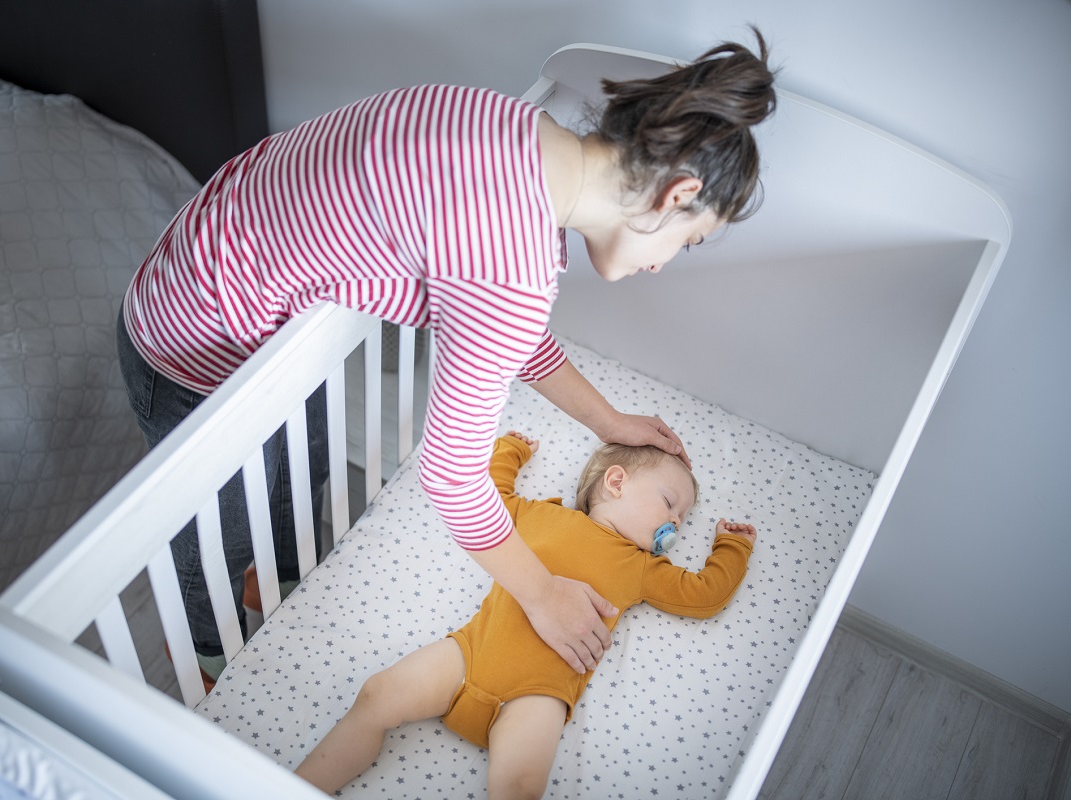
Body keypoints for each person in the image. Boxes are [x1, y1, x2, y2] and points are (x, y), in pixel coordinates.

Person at [115, 30, 776, 681]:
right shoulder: (513, 268)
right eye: (687, 242)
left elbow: (500, 328)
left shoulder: (513, 127)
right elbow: (453, 477)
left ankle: (276, 577)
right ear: (678, 196)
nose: (662, 265)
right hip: (191, 350)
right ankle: (202, 648)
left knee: (304, 461)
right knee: (219, 531)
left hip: (202, 254)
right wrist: (543, 595)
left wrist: (605, 422)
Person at [294, 431, 758, 797]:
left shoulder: (644, 568)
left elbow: (704, 595)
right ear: (616, 483)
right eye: (670, 504)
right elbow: (490, 498)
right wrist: (510, 450)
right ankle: (295, 788)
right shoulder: (545, 515)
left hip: (538, 695)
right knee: (377, 694)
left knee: (520, 787)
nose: (676, 524)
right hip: (467, 657)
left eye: (682, 519)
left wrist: (731, 547)